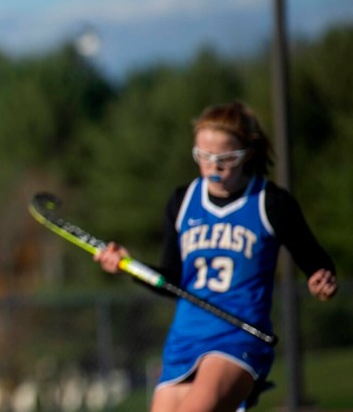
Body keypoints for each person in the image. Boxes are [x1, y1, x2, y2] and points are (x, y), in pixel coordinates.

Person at [94, 101, 338, 412]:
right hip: (186, 337)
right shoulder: (183, 201)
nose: (214, 167)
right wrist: (130, 267)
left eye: (225, 158)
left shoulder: (270, 202)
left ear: (246, 154)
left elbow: (315, 261)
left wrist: (321, 279)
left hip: (238, 335)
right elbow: (172, 281)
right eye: (204, 156)